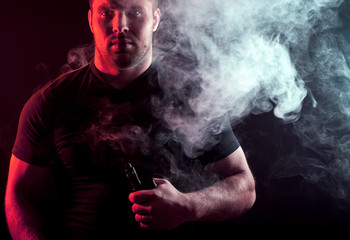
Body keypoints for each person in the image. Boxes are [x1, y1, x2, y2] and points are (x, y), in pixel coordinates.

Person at [5, 0, 256, 239]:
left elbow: (244, 186)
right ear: (91, 20)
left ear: (155, 19)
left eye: (135, 12)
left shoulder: (192, 96)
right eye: (107, 13)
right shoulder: (50, 103)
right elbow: (19, 194)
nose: (120, 25)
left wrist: (188, 206)